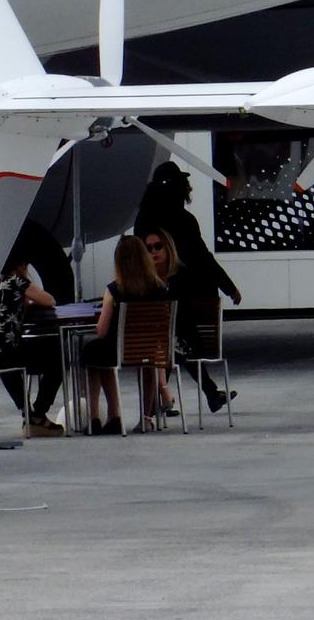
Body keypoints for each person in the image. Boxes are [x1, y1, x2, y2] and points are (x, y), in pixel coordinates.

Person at [80, 235, 170, 434]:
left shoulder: (114, 290)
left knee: (92, 352)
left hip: (118, 352)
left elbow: (102, 331)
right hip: (148, 351)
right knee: (145, 363)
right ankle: (145, 418)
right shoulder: (160, 290)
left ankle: (97, 415)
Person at [142, 227, 234, 414]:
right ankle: (209, 394)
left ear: (168, 248)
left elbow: (183, 315)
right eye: (148, 248)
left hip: (186, 338)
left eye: (158, 247)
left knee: (172, 350)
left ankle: (156, 404)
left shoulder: (180, 277)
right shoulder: (145, 280)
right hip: (160, 341)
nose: (153, 252)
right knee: (164, 349)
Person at [0, 247, 62, 437]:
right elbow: (49, 300)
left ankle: (28, 414)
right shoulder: (18, 281)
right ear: (21, 267)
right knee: (56, 359)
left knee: (6, 355)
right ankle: (38, 412)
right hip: (5, 354)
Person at [134, 162, 242, 306]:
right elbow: (202, 258)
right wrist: (229, 288)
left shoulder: (143, 219)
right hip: (187, 295)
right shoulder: (184, 220)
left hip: (151, 292)